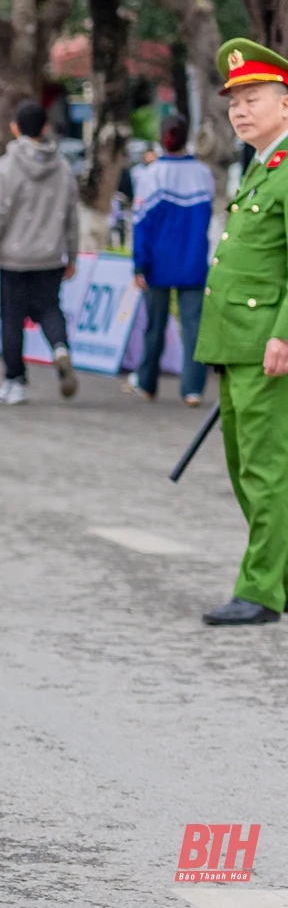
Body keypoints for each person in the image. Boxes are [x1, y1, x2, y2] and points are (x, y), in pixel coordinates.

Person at [195, 40, 288, 625]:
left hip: (265, 343)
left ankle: (259, 591)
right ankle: (277, 576)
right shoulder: (261, 168)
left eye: (253, 99)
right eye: (234, 101)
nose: (240, 110)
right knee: (244, 466)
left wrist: (283, 334)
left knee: (264, 468)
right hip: (236, 342)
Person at [0, 100, 81, 406]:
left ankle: (15, 380)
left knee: (12, 318)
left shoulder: (5, 168)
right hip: (50, 256)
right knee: (50, 309)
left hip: (14, 258)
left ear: (14, 128)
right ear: (45, 127)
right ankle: (60, 348)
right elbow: (72, 217)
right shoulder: (62, 167)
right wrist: (71, 255)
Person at [128, 114, 212, 405]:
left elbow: (141, 224)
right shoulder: (203, 173)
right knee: (193, 328)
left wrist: (139, 263)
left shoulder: (151, 175)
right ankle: (192, 389)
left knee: (154, 326)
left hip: (157, 263)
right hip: (193, 261)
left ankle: (147, 384)